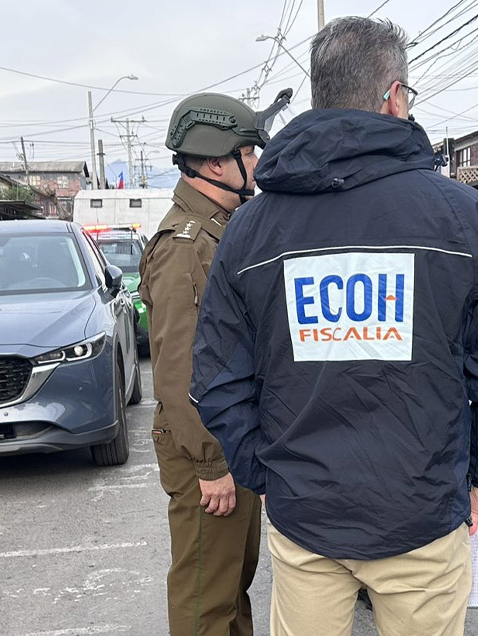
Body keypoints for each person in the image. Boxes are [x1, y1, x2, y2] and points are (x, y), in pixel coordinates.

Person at [189, 16, 478, 636]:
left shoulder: (251, 227)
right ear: (395, 96)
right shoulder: (459, 215)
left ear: (321, 97)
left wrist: (263, 473)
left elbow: (216, 376)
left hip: (306, 515)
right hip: (422, 510)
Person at [139, 91, 281, 636]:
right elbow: (179, 370)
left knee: (229, 586)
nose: (258, 163)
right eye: (250, 151)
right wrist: (210, 464)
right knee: (206, 599)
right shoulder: (186, 246)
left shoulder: (220, 232)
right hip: (209, 446)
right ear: (218, 161)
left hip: (230, 437)